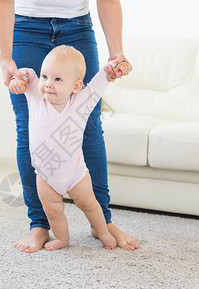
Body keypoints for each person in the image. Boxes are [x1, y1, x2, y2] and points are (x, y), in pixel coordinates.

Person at [0, 0, 140, 253]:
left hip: (78, 26)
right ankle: (39, 224)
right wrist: (5, 58)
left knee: (90, 126)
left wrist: (117, 53)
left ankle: (102, 222)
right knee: (27, 128)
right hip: (26, 27)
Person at [10, 45, 121, 250]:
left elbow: (99, 82)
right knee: (52, 210)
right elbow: (27, 74)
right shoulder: (35, 96)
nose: (48, 84)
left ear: (76, 86)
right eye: (45, 76)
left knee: (89, 204)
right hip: (45, 175)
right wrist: (18, 80)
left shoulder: (81, 102)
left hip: (75, 173)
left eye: (58, 79)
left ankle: (103, 231)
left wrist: (112, 66)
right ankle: (62, 238)